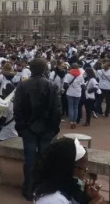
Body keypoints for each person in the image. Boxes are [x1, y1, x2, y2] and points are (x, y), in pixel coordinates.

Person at [13, 58, 63, 201]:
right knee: (45, 160)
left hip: (29, 128)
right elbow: (57, 110)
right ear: (44, 70)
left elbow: (17, 109)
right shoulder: (52, 86)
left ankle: (29, 189)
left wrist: (22, 127)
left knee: (29, 160)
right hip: (45, 128)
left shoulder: (22, 86)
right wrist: (53, 129)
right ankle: (42, 189)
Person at [33, 138, 104, 204]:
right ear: (71, 169)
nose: (84, 174)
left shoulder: (66, 188)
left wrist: (87, 198)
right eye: (84, 169)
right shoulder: (52, 200)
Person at [64, 63, 85, 129]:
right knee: (76, 107)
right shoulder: (81, 75)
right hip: (78, 93)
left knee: (71, 107)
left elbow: (65, 85)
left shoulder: (68, 75)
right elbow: (83, 85)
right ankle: (74, 121)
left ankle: (71, 122)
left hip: (70, 92)